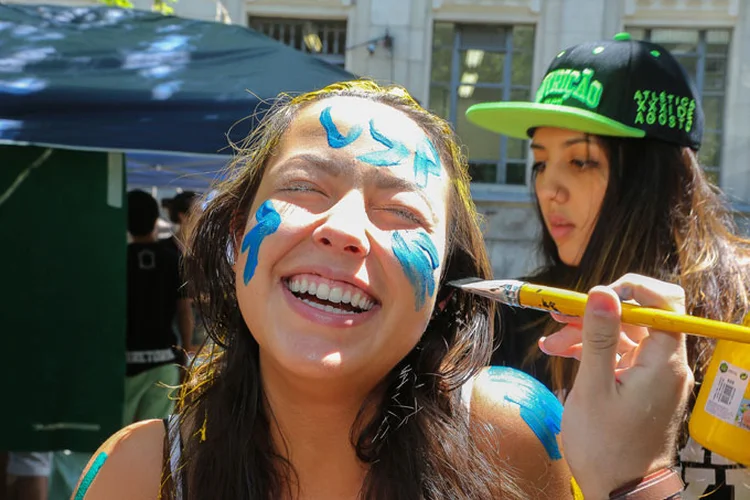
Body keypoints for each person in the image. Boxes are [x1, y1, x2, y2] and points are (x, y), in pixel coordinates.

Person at [73, 81, 693, 499]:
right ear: (238, 238)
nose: (343, 230)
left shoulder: (518, 435)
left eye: (401, 212)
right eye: (304, 188)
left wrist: (638, 478)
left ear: (447, 289)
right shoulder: (138, 474)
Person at [466, 33, 750, 497]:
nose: (549, 189)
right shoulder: (524, 316)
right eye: (540, 164)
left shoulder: (742, 312)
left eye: (579, 161)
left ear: (654, 175)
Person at [124, 190, 194, 425]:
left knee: (115, 442)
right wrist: (185, 352)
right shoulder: (172, 259)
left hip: (125, 365)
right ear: (155, 219)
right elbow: (185, 311)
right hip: (165, 362)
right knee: (154, 439)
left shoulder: (118, 260)